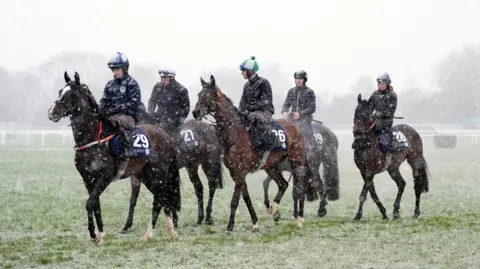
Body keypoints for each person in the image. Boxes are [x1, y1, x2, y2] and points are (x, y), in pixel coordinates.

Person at [99, 52, 141, 157]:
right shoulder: (109, 84)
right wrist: (100, 109)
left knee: (117, 121)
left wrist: (116, 109)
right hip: (111, 115)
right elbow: (104, 100)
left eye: (117, 69)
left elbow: (134, 103)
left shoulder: (132, 83)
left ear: (125, 68)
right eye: (113, 70)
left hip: (128, 117)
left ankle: (129, 149)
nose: (115, 72)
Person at [238, 56, 276, 152]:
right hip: (251, 113)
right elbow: (242, 103)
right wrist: (238, 112)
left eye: (243, 70)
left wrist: (251, 108)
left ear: (250, 71)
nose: (241, 73)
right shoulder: (246, 86)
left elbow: (266, 100)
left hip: (265, 112)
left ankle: (266, 145)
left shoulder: (264, 82)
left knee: (253, 117)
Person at [281, 70, 318, 155]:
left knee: (303, 128)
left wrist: (300, 114)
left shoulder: (309, 92)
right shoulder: (291, 91)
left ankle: (313, 148)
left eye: (300, 78)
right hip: (292, 118)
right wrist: (284, 112)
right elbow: (286, 104)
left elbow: (312, 108)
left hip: (305, 118)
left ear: (304, 80)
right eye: (297, 78)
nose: (298, 80)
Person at [148, 68, 190, 136]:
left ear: (172, 78)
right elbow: (152, 101)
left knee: (163, 130)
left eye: (165, 77)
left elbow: (186, 109)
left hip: (173, 119)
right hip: (159, 116)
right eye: (161, 77)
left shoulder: (181, 90)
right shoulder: (157, 87)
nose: (163, 79)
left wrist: (178, 121)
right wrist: (150, 113)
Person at [368, 72, 398, 155]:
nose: (381, 85)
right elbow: (370, 107)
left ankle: (389, 154)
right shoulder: (375, 94)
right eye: (380, 83)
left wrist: (380, 114)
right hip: (374, 121)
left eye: (383, 83)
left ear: (387, 83)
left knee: (384, 143)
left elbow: (391, 111)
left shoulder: (392, 95)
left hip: (385, 123)